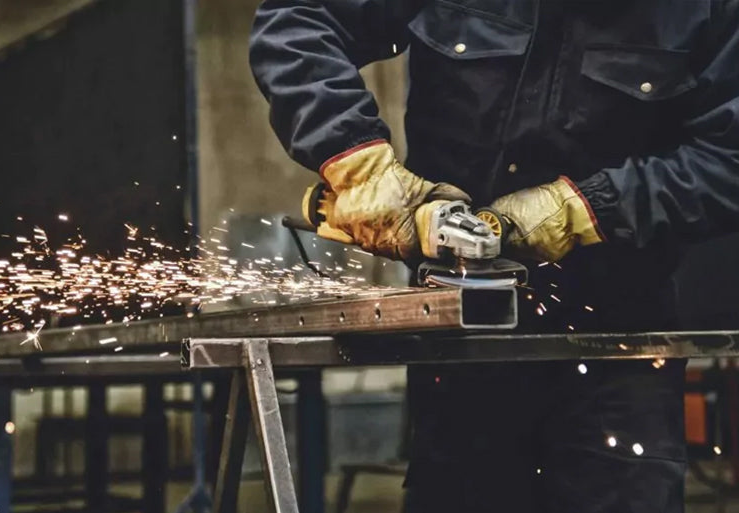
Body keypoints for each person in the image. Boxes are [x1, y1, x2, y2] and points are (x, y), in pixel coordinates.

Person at [249, 1, 739, 511]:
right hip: (459, 341)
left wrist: (583, 208)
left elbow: (730, 159)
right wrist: (359, 163)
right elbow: (301, 18)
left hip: (619, 347)